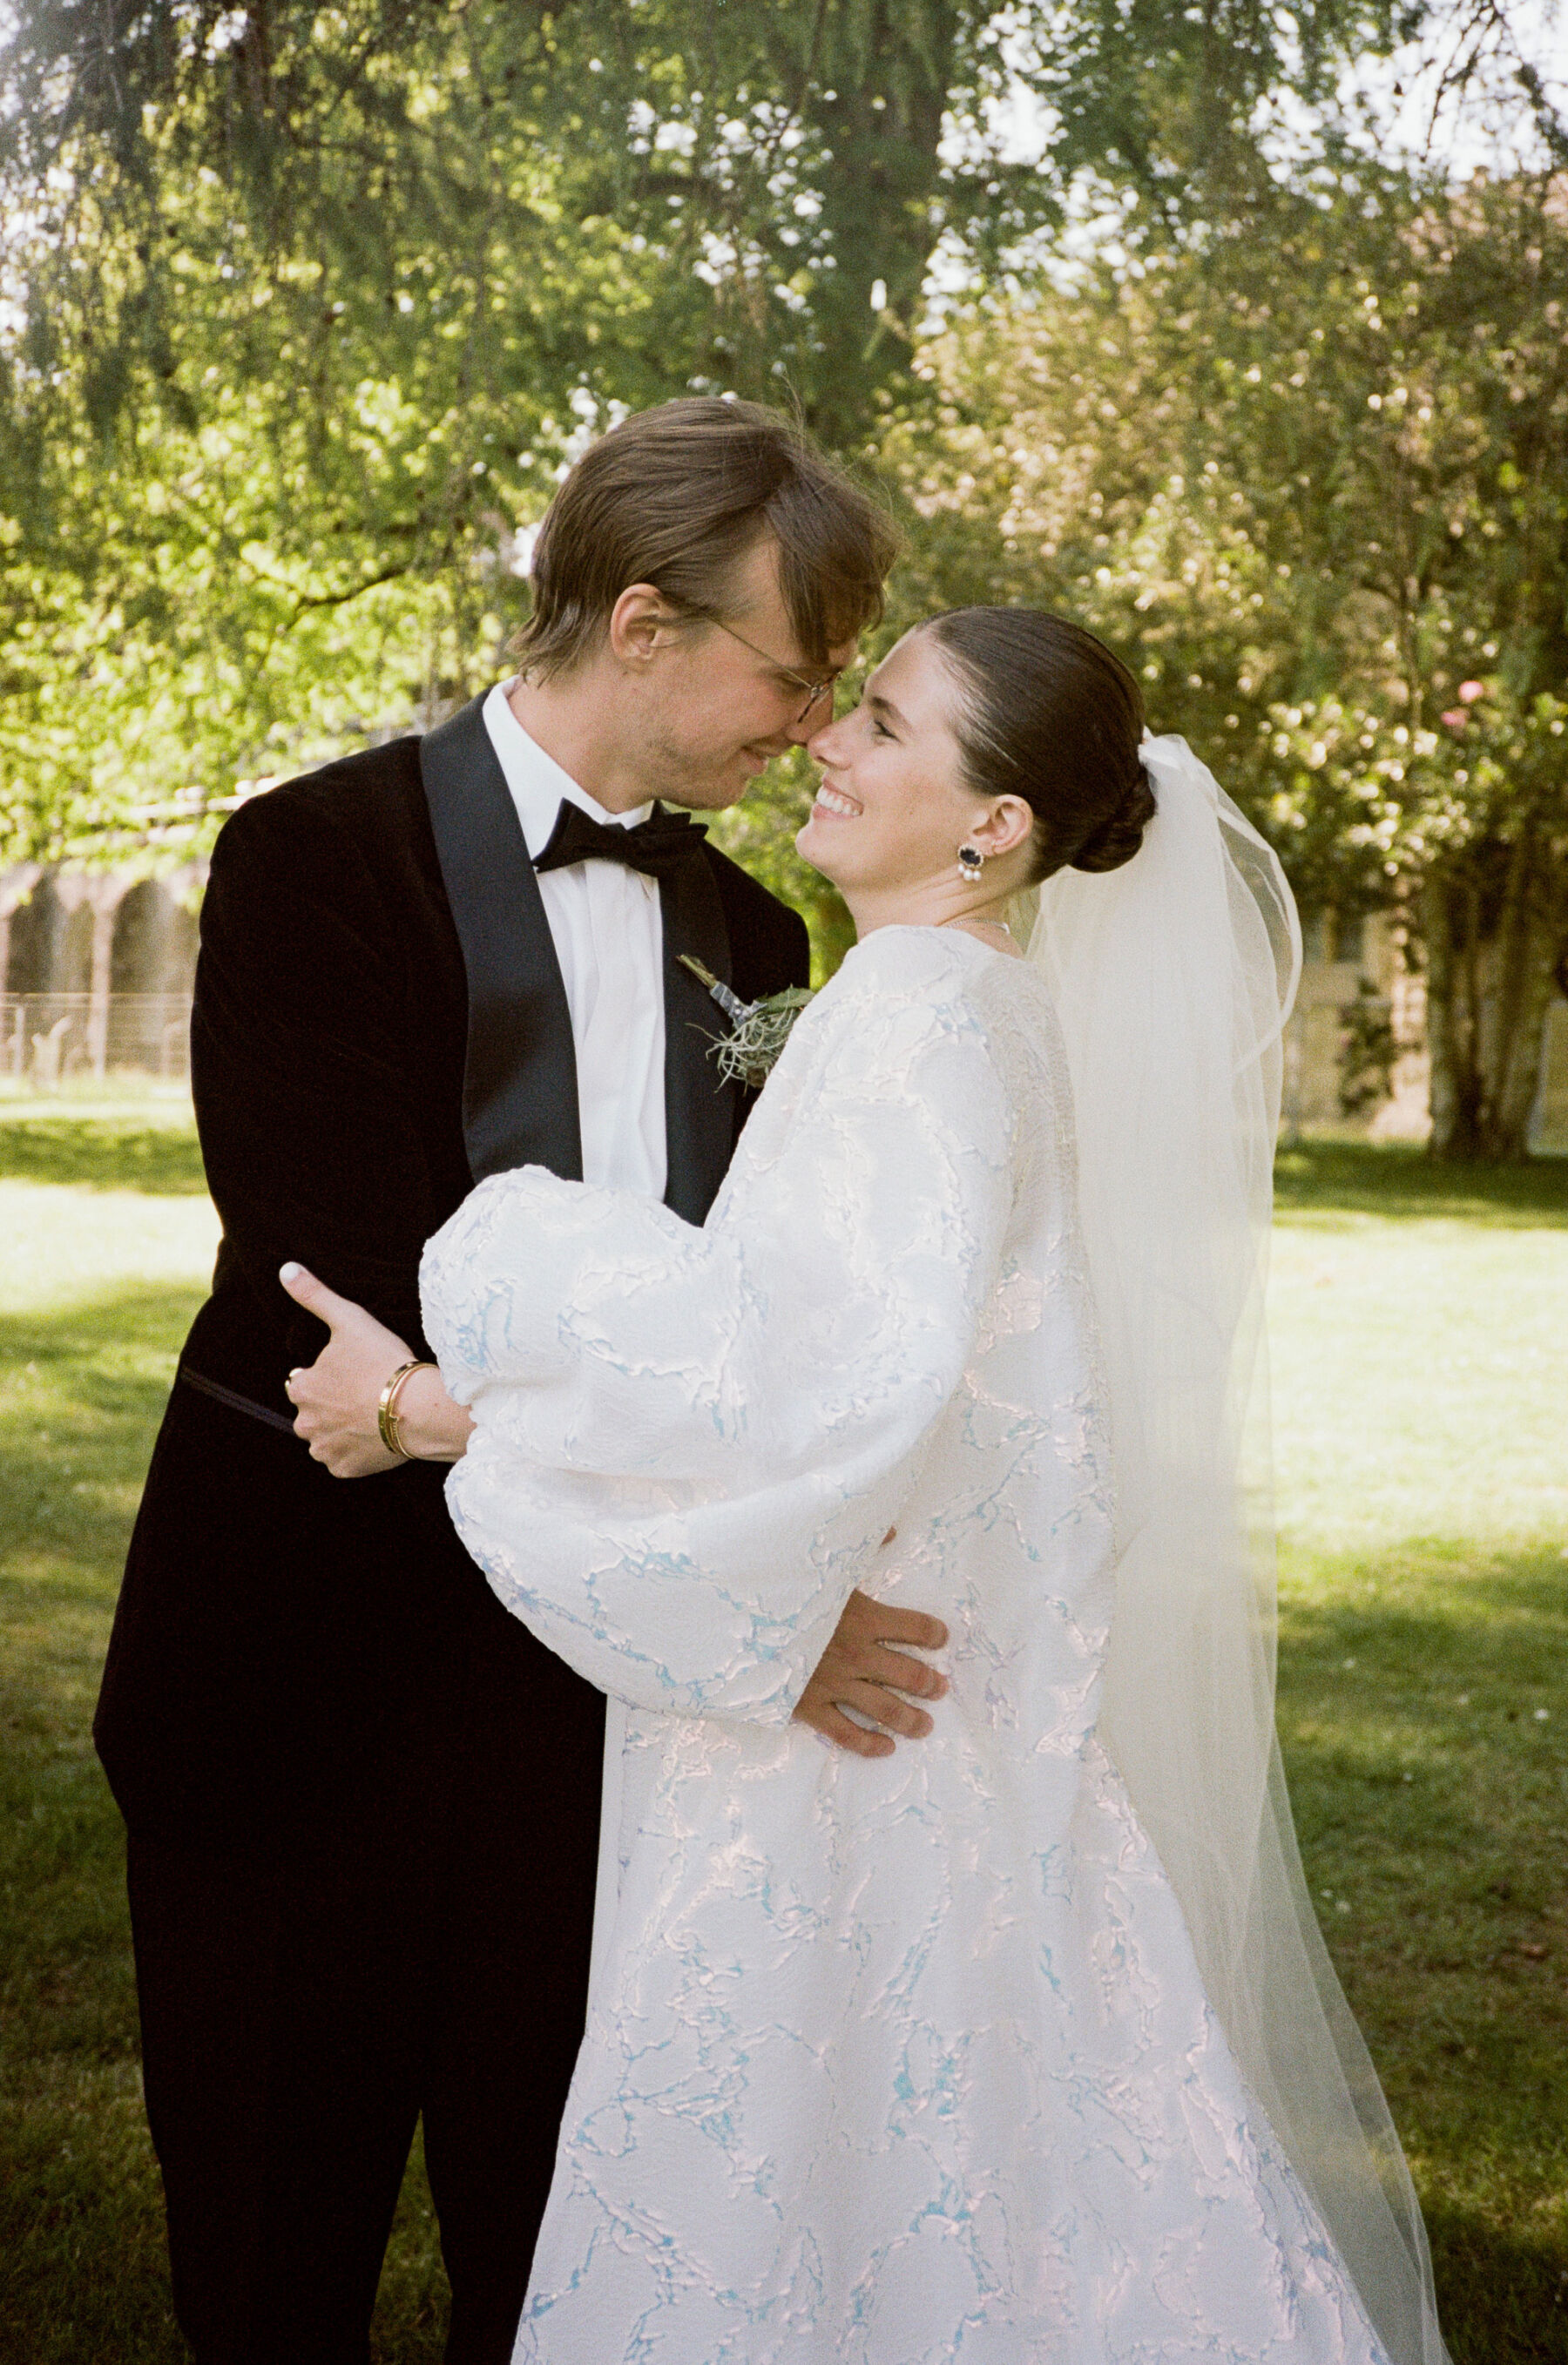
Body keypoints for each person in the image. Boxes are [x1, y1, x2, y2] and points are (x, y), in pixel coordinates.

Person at [315, 606, 1452, 2361]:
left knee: (806, 2173)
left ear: (993, 826)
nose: (828, 741)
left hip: (844, 1749)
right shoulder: (977, 1003)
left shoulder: (920, 1006)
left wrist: (464, 1332)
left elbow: (781, 1381)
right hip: (931, 1701)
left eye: (888, 724)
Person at [92, 398, 952, 2365]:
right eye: (795, 670)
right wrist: (733, 1582)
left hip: (605, 1740)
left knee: (567, 2278)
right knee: (268, 2276)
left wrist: (740, 1596)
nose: (817, 726)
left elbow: (763, 1343)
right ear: (642, 623)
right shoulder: (313, 856)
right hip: (295, 1692)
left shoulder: (752, 935)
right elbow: (355, 1293)